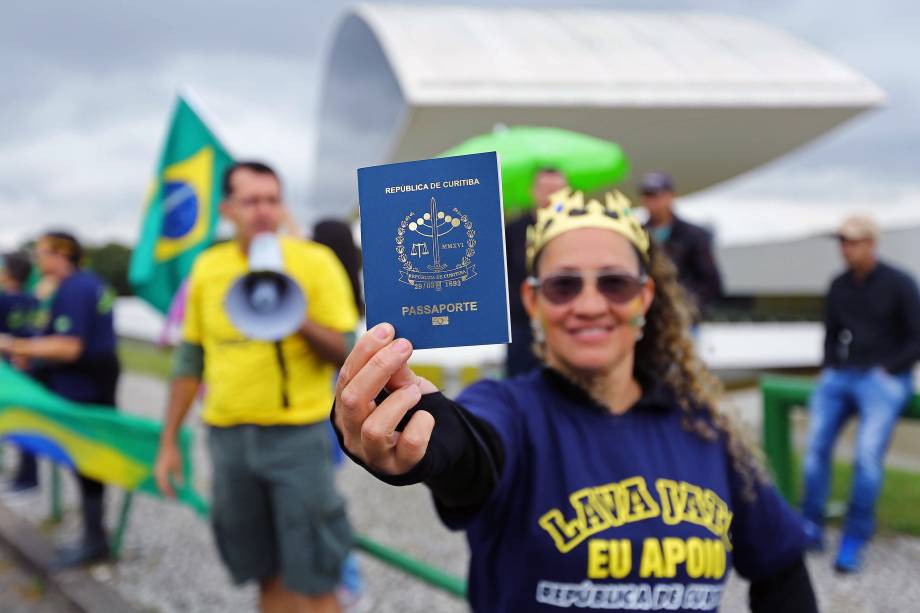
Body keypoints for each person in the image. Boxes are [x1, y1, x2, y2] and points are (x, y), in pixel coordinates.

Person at [332, 188, 817, 612]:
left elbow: (781, 572)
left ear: (644, 298)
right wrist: (424, 432)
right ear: (531, 302)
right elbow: (472, 449)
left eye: (614, 283)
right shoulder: (513, 411)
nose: (589, 304)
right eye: (564, 285)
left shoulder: (707, 429)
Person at [154, 161, 358, 613]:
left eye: (272, 199)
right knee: (262, 568)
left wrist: (293, 314)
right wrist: (168, 441)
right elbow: (191, 359)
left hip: (298, 437)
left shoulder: (314, 262)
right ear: (228, 209)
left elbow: (347, 348)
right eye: (251, 201)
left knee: (315, 569)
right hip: (228, 439)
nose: (263, 211)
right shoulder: (208, 267)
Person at [800, 214, 920, 573]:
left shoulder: (899, 283)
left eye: (852, 242)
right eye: (842, 242)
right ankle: (810, 525)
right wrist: (830, 366)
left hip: (883, 379)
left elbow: (917, 337)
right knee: (815, 449)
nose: (845, 249)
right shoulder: (839, 284)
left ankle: (855, 535)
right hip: (843, 375)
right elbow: (831, 332)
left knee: (867, 456)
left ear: (871, 244)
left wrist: (890, 369)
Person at [0, 232, 120, 568]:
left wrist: (15, 346)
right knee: (82, 459)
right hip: (85, 380)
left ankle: (95, 541)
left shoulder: (76, 288)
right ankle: (92, 536)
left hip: (86, 385)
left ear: (61, 255)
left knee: (88, 460)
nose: (38, 260)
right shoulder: (77, 286)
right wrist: (34, 356)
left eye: (42, 253)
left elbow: (69, 346)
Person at [504, 168, 568, 376]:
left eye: (556, 190)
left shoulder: (572, 229)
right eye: (545, 189)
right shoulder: (513, 230)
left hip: (562, 320)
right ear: (534, 191)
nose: (550, 195)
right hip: (523, 324)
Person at [639, 172, 722, 316]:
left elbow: (710, 281)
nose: (652, 200)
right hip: (647, 316)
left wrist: (689, 307)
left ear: (670, 196)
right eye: (647, 195)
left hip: (682, 316)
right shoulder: (637, 233)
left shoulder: (694, 235)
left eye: (656, 194)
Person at [0, 251, 40, 493]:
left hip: (7, 373)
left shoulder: (3, 300)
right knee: (26, 425)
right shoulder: (34, 300)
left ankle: (25, 479)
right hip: (28, 370)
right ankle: (27, 476)